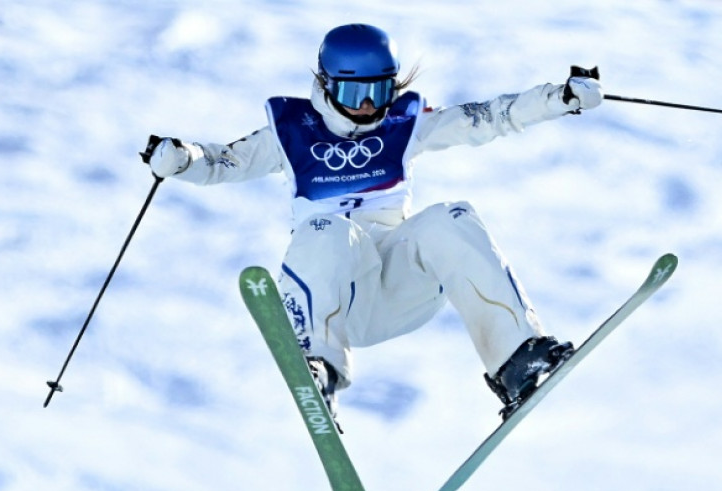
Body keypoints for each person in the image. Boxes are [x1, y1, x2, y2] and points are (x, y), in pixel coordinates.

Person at [145, 23, 603, 421]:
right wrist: (184, 160)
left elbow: (485, 117)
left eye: (379, 91)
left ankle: (517, 361)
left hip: (404, 288)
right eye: (352, 93)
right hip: (340, 300)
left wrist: (558, 99)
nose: (366, 107)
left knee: (450, 217)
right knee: (326, 230)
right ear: (326, 86)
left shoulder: (405, 124)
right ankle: (318, 367)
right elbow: (228, 161)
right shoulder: (292, 132)